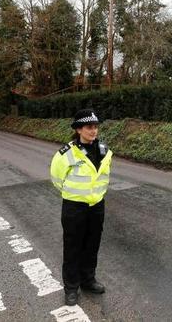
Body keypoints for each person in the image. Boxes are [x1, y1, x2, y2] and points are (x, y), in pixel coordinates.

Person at [50, 109, 113, 306]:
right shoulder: (66, 153)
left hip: (96, 206)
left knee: (92, 245)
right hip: (74, 207)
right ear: (78, 129)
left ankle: (88, 280)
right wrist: (75, 194)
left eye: (95, 127)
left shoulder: (104, 150)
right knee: (73, 248)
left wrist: (95, 196)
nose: (93, 131)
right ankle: (71, 288)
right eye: (88, 127)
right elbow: (56, 178)